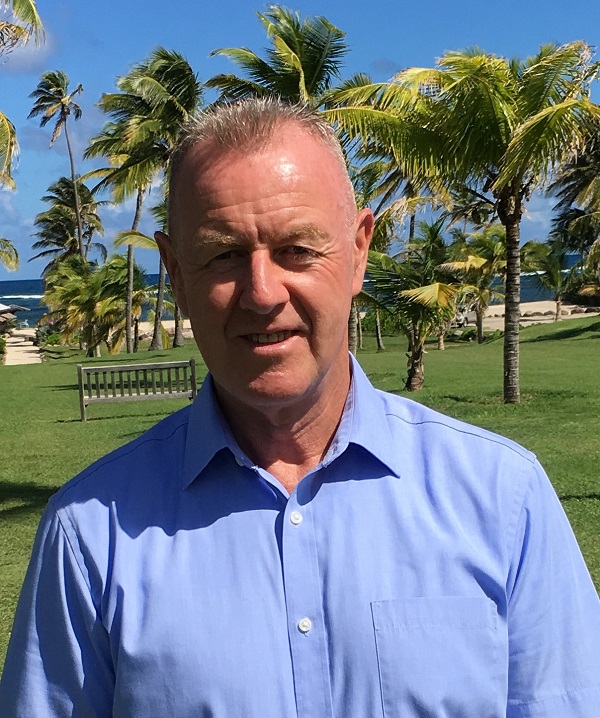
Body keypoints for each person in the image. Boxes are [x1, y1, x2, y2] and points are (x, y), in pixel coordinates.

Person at [1, 98, 600, 718]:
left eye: (297, 249)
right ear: (175, 273)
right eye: (224, 254)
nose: (262, 293)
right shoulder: (90, 534)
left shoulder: (503, 498)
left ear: (359, 252)